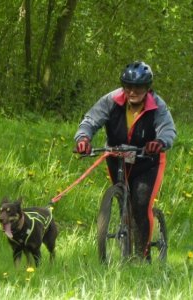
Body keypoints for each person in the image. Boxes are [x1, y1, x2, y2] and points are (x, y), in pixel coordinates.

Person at [74, 61, 176, 261]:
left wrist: (160, 141)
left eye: (138, 87)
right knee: (124, 202)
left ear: (147, 88)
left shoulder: (157, 106)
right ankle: (124, 244)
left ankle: (141, 255)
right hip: (117, 157)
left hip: (147, 161)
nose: (132, 91)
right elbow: (91, 120)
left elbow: (168, 128)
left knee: (140, 203)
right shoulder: (111, 100)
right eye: (128, 86)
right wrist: (83, 138)